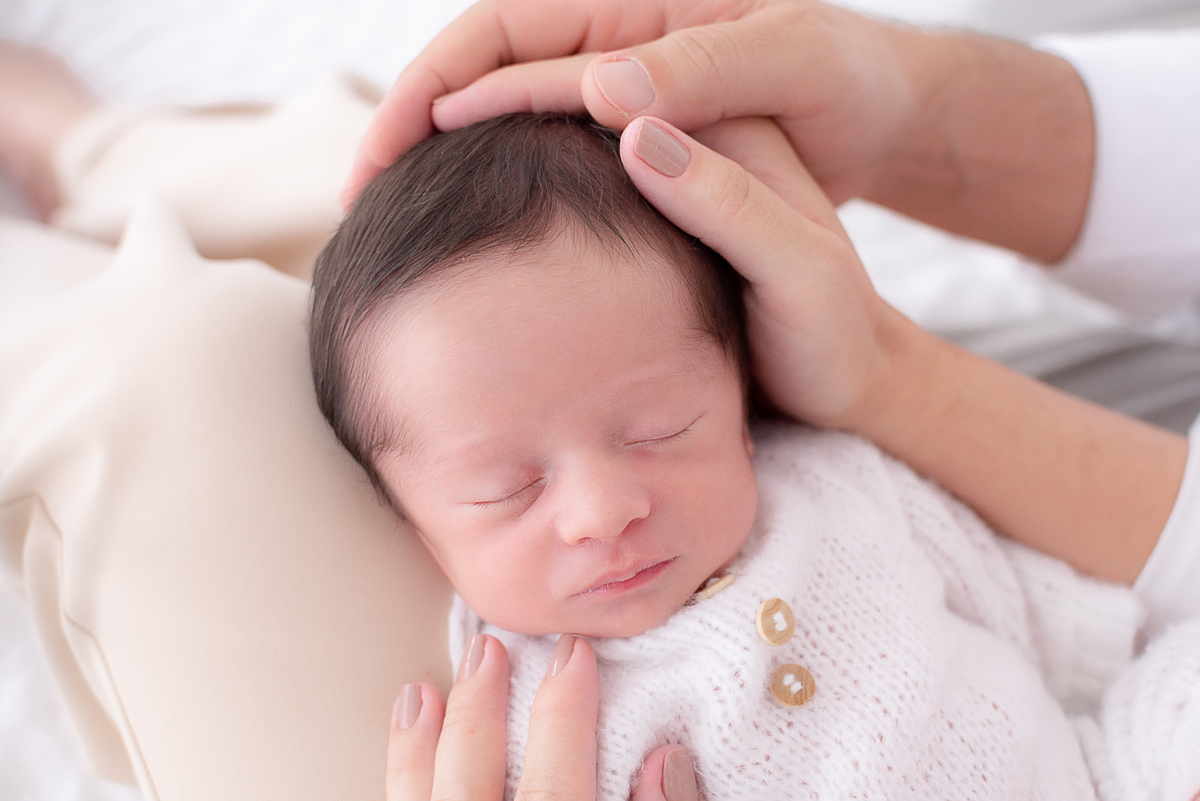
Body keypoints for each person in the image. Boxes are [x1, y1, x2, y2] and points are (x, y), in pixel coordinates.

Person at [344, 1, 1200, 799]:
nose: (603, 511)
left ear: (743, 400)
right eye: (508, 487)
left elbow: (1029, 604)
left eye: (659, 430)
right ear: (415, 525)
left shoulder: (844, 485)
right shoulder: (533, 702)